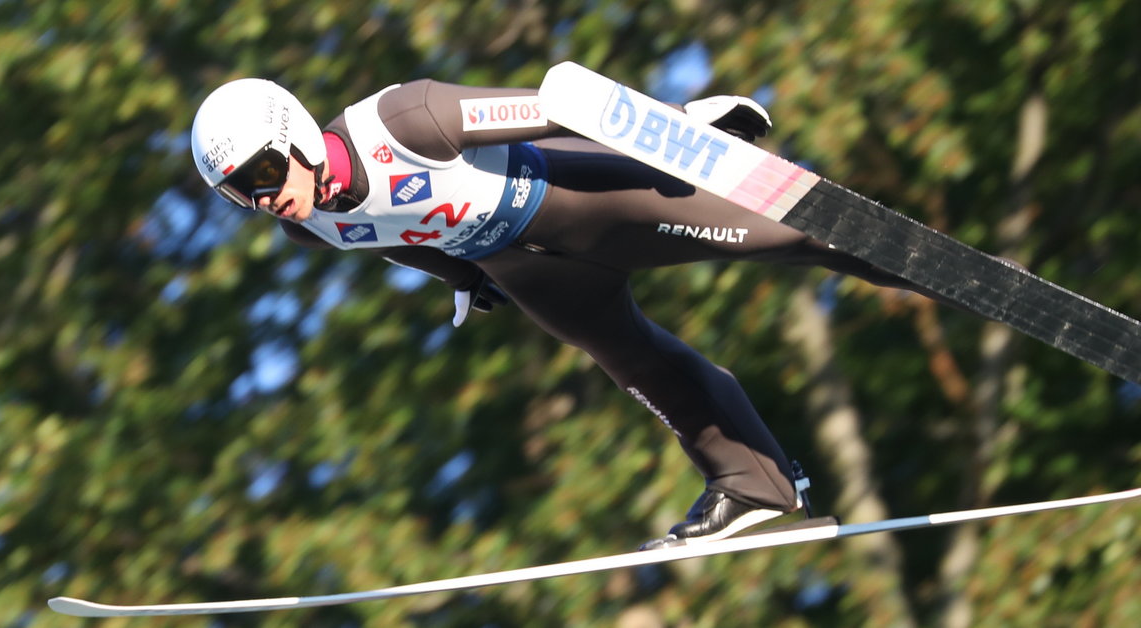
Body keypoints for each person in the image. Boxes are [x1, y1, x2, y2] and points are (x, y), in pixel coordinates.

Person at [191, 76, 929, 549]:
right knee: (634, 362)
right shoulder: (307, 223)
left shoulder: (404, 120)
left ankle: (949, 273)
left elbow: (555, 109)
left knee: (792, 233)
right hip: (529, 272)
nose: (260, 198)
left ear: (291, 132)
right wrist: (460, 276)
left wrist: (682, 127)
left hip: (586, 202)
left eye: (260, 172)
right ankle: (753, 482)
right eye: (236, 193)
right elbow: (392, 237)